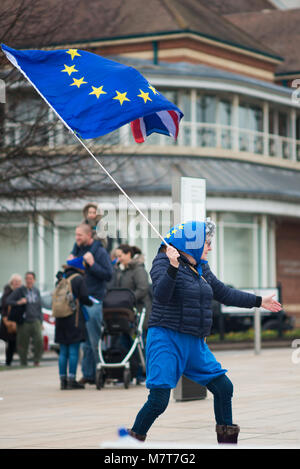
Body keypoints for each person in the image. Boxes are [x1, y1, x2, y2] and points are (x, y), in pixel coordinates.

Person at [127, 220, 282, 444]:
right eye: (207, 243)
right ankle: (129, 444)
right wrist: (172, 266)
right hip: (166, 338)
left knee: (223, 387)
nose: (210, 247)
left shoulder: (199, 266)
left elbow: (223, 292)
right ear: (192, 244)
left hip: (195, 342)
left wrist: (259, 301)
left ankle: (227, 444)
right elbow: (161, 295)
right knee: (159, 401)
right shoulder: (163, 262)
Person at [69, 223, 113, 385]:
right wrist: (70, 264)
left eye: (79, 235)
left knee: (95, 340)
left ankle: (102, 373)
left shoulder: (100, 251)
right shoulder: (78, 250)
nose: (77, 238)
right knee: (85, 342)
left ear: (89, 235)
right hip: (81, 301)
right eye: (76, 235)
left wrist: (93, 264)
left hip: (94, 300)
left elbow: (109, 275)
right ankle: (88, 374)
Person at [54, 257, 93, 390]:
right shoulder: (78, 279)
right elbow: (84, 297)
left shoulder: (61, 278)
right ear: (79, 267)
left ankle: (62, 380)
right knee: (74, 350)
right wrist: (91, 302)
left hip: (60, 319)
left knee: (63, 350)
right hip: (73, 318)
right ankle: (72, 380)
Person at [6, 271, 44, 366]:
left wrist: (41, 320)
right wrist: (19, 302)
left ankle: (37, 360)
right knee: (23, 344)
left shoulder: (36, 291)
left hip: (35, 320)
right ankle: (23, 363)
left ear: (34, 280)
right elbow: (8, 300)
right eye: (27, 279)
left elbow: (39, 306)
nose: (28, 281)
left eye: (30, 279)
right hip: (24, 322)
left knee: (39, 341)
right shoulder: (20, 290)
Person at [113, 244, 152, 330]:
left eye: (120, 256)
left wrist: (127, 299)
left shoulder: (138, 269)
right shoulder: (122, 270)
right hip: (127, 312)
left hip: (141, 311)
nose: (118, 259)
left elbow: (143, 289)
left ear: (128, 254)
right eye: (117, 257)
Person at [0, 274, 23, 366]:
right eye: (15, 281)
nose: (16, 283)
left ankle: (8, 362)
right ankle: (2, 361)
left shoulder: (21, 292)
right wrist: (5, 319)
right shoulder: (7, 292)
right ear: (11, 282)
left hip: (15, 321)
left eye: (18, 282)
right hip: (6, 321)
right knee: (3, 342)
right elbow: (3, 307)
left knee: (13, 343)